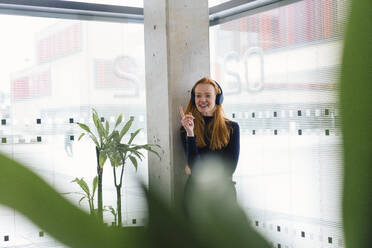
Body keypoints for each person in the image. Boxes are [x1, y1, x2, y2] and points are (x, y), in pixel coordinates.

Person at [179, 77, 240, 205]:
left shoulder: (232, 128)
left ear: (217, 99)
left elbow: (229, 168)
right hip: (195, 195)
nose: (202, 100)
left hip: (223, 196)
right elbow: (195, 168)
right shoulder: (186, 129)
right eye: (198, 96)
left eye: (208, 95)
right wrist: (190, 133)